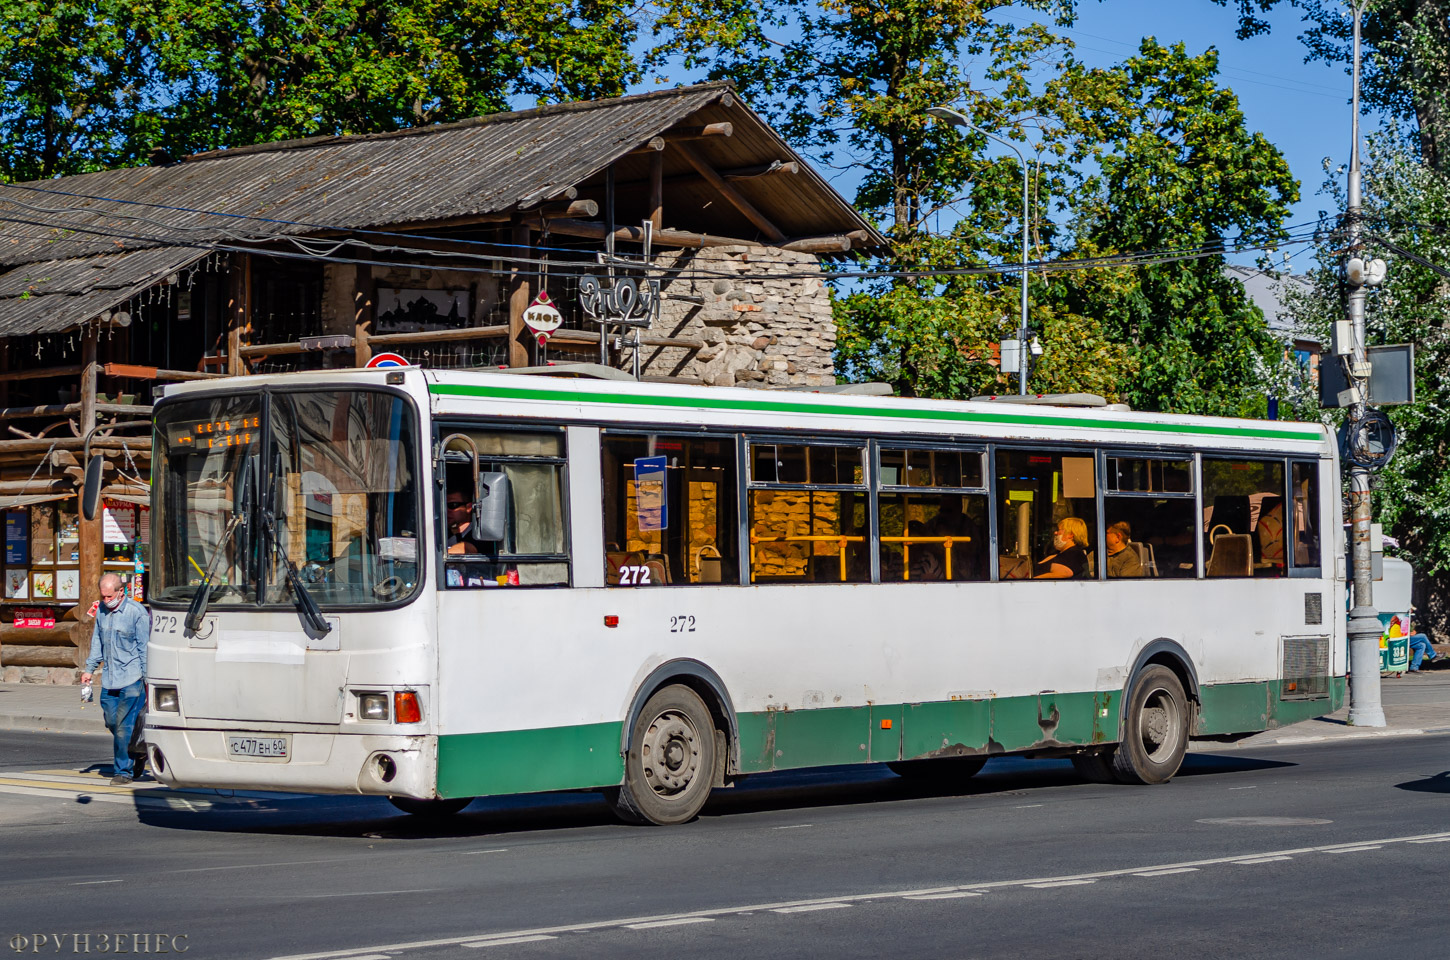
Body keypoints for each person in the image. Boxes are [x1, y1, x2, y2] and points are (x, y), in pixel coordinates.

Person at [80, 573, 151, 785]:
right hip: (110, 678)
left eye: (109, 596)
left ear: (122, 592)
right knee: (112, 721)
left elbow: (144, 648)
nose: (105, 600)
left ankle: (123, 772)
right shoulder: (101, 610)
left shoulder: (136, 613)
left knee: (123, 726)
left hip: (132, 679)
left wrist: (148, 681)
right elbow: (97, 642)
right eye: (102, 596)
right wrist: (89, 669)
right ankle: (137, 752)